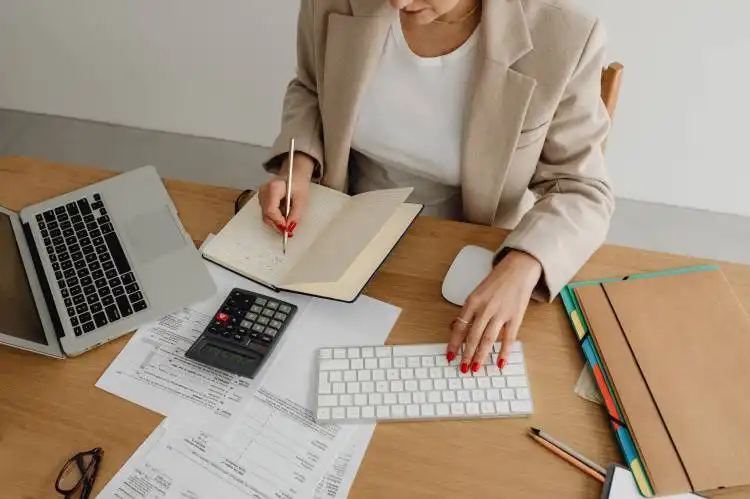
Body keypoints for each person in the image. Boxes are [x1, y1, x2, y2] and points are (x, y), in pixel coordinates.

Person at [258, 0, 614, 373]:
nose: (398, 2)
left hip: (470, 250)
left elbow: (582, 187)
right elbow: (310, 89)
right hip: (345, 228)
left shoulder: (565, 37)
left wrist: (523, 266)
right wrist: (297, 166)